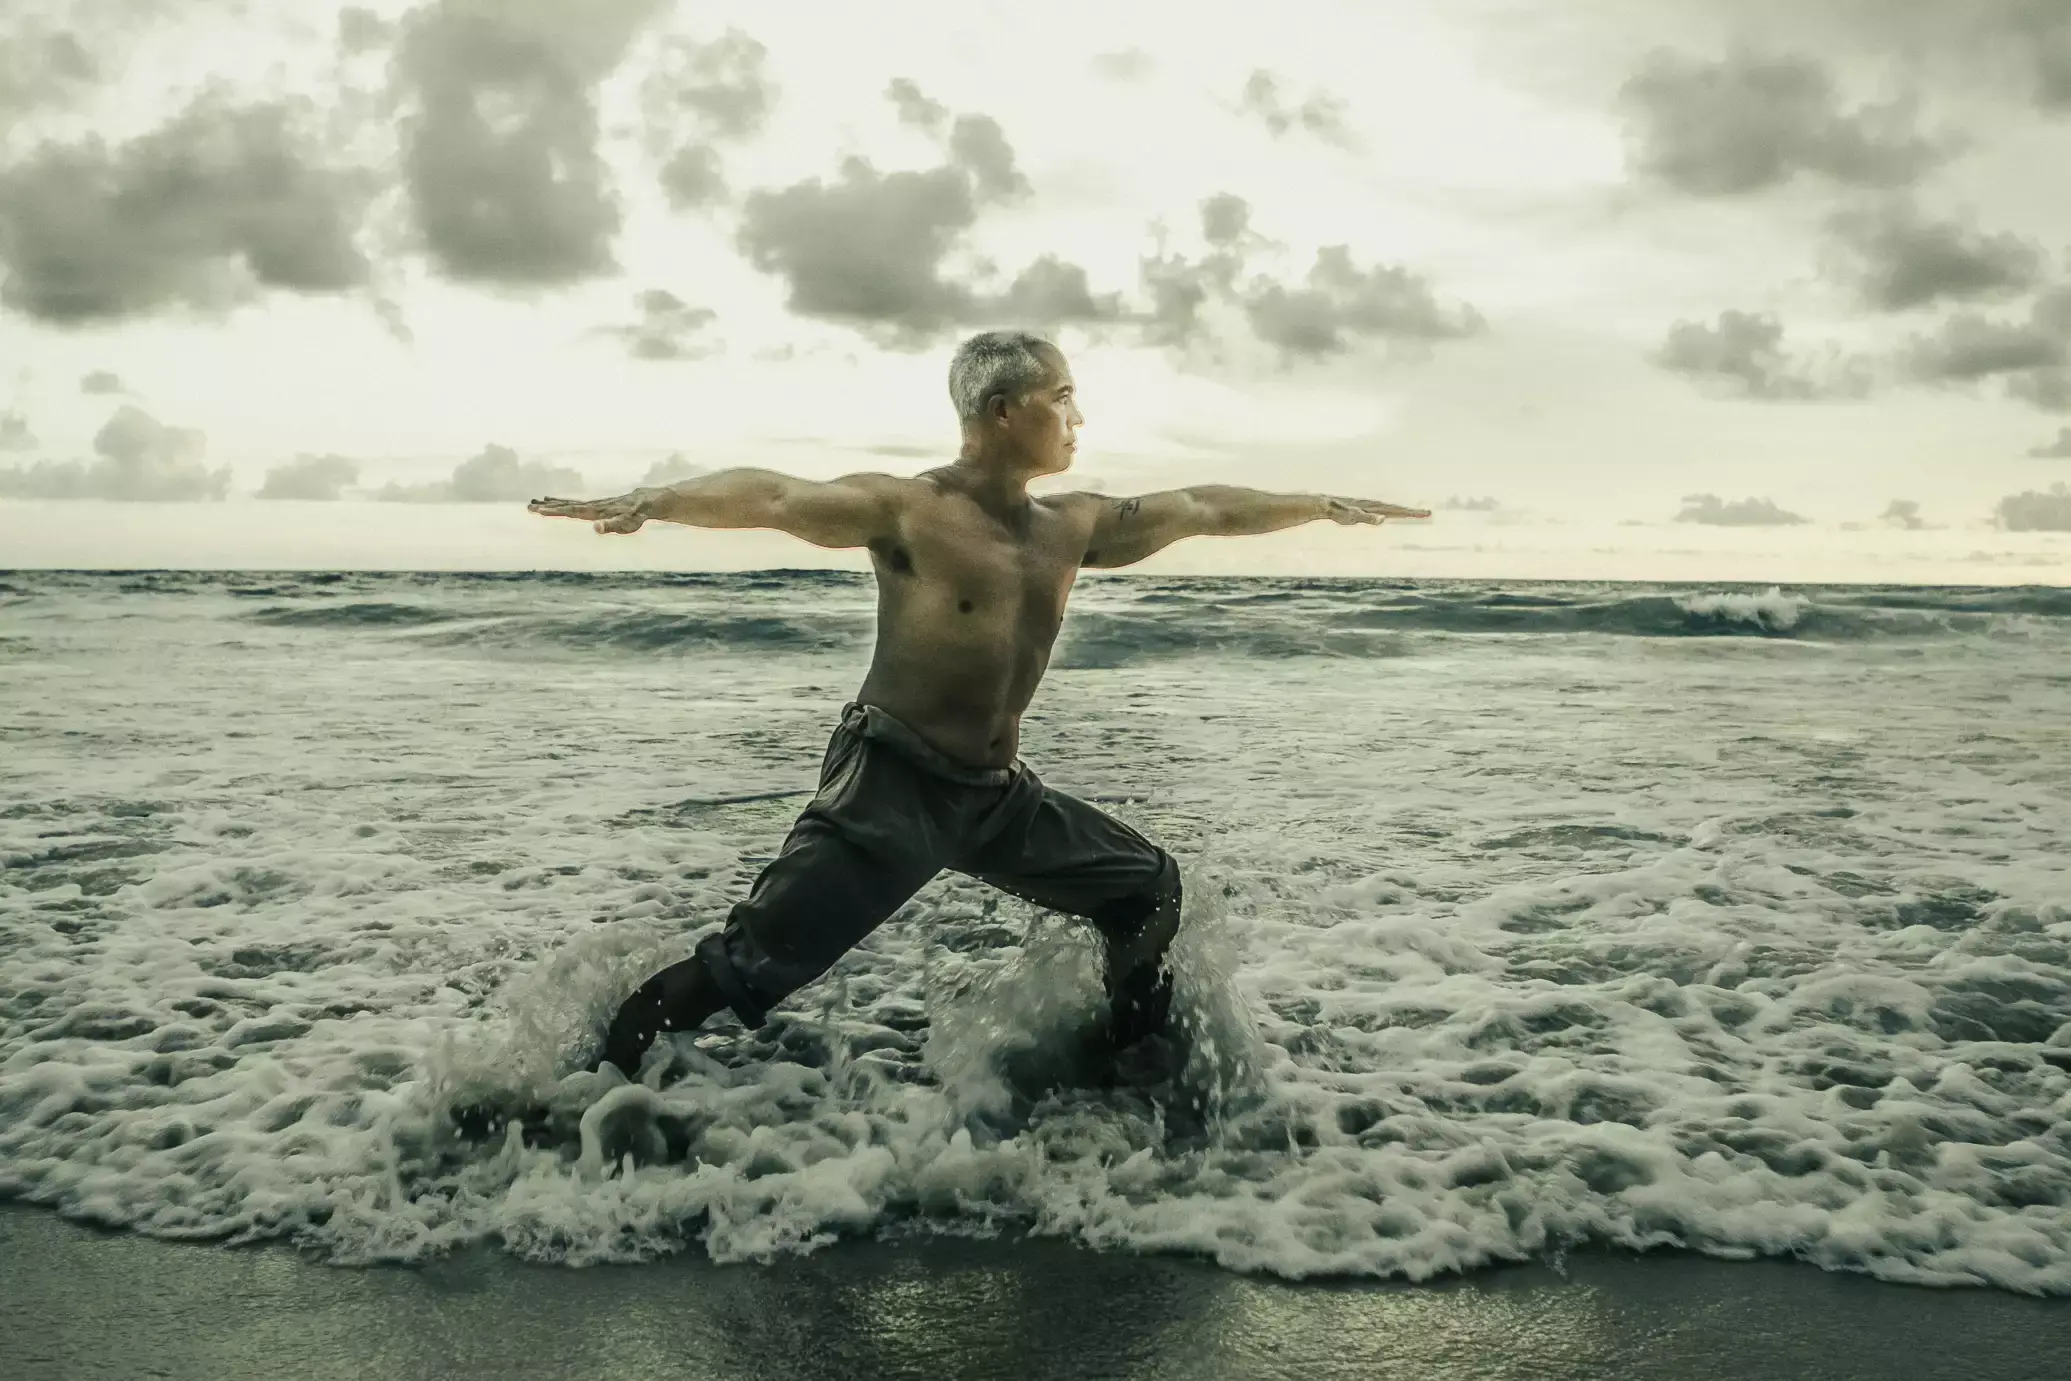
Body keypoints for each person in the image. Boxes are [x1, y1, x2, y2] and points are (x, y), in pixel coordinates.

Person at [528, 330, 1429, 1078]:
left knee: (1145, 889)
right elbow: (776, 495)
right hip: (891, 785)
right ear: (1004, 411)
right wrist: (656, 499)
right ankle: (583, 1091)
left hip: (998, 798)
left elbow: (1201, 506)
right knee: (740, 970)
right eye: (1062, 398)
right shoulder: (907, 510)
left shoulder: (1069, 526)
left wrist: (1319, 503)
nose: (1078, 418)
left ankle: (1123, 1060)